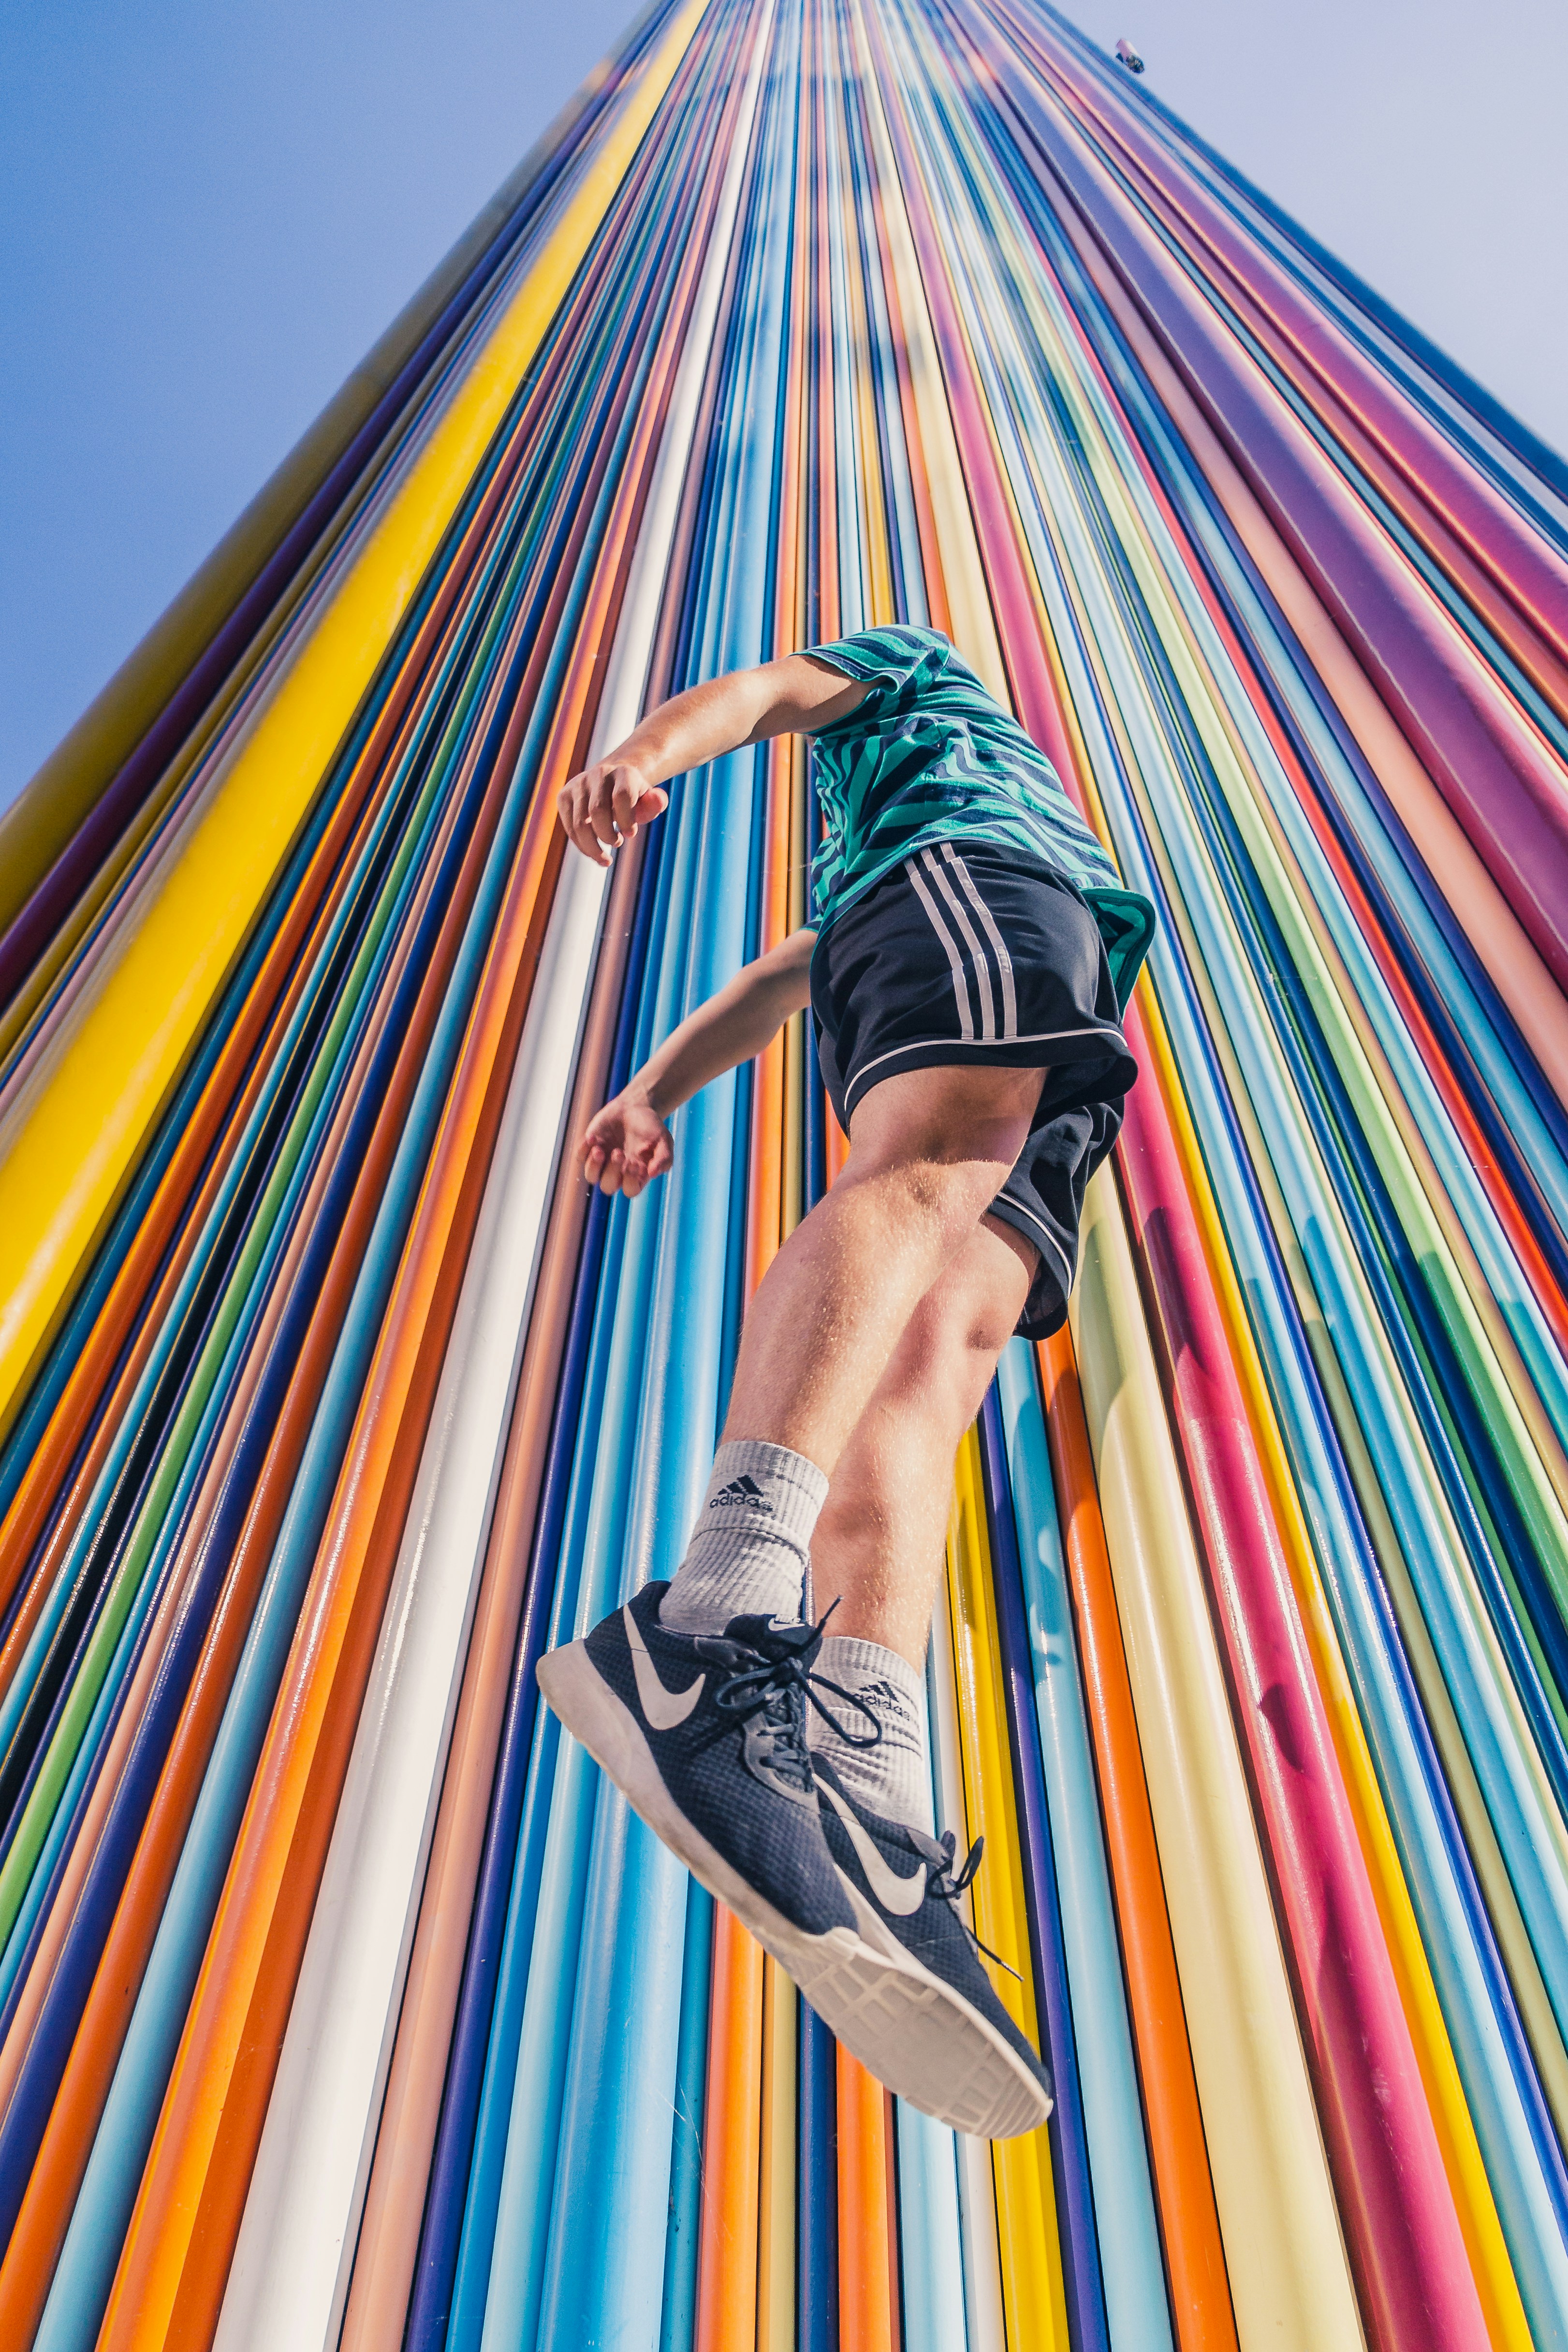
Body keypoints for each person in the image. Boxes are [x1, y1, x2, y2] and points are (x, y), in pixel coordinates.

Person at [536, 625, 1154, 2139]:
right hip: (990, 912)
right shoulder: (929, 700)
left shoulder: (877, 863)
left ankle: (862, 1789)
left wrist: (648, 1090)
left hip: (1059, 1014)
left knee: (939, 1358)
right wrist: (647, 753)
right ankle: (711, 1618)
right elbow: (762, 690)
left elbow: (783, 979)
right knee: (929, 1158)